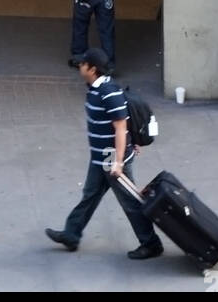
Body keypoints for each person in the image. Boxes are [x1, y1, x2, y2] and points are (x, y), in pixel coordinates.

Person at [44, 47, 164, 259]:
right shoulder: (95, 88)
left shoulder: (109, 93)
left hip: (112, 160)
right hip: (101, 157)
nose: (80, 66)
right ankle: (71, 235)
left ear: (92, 69)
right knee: (90, 195)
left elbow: (120, 127)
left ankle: (151, 244)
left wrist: (118, 162)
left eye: (83, 64)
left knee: (130, 202)